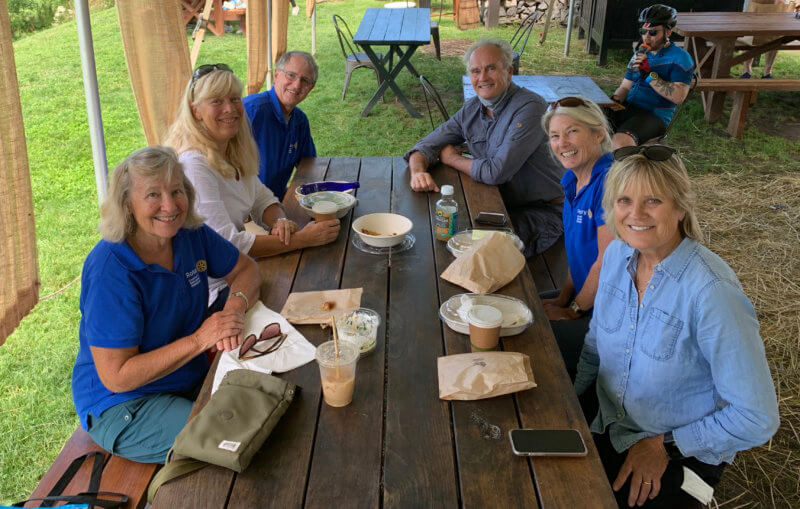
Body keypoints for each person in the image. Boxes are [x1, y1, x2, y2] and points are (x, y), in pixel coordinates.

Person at [574, 145, 779, 508]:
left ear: (681, 207)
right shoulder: (619, 254)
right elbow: (595, 343)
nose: (635, 214)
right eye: (623, 200)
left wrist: (664, 444)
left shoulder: (712, 293)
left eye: (652, 201)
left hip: (679, 449)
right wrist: (570, 403)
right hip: (609, 418)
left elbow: (757, 417)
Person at [71, 146, 261, 463]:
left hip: (186, 376)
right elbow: (117, 376)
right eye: (153, 195)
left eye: (177, 191)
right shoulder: (110, 269)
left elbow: (247, 270)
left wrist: (233, 309)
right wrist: (201, 338)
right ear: (127, 205)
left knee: (266, 404)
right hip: (124, 403)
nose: (170, 206)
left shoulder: (189, 233)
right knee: (237, 441)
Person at [164, 63, 339, 304]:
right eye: (216, 101)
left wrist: (280, 221)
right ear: (196, 111)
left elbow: (261, 197)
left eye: (234, 99)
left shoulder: (231, 150)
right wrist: (302, 239)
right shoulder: (194, 165)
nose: (230, 109)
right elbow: (227, 243)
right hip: (212, 292)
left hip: (239, 273)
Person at [405, 38, 564, 257]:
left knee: (478, 255)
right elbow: (425, 146)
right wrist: (418, 172)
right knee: (441, 236)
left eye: (491, 69)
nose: (482, 78)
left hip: (542, 211)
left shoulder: (530, 107)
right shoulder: (473, 108)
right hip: (496, 202)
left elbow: (496, 172)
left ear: (508, 71)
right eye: (475, 71)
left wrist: (451, 159)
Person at [539, 97, 615, 380]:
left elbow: (605, 263)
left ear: (599, 133)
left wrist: (573, 309)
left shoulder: (608, 183)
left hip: (608, 315)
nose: (562, 143)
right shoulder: (572, 180)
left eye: (572, 132)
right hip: (585, 300)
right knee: (521, 307)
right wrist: (563, 298)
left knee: (529, 334)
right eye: (555, 136)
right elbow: (577, 253)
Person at [606, 4, 694, 148]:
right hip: (627, 107)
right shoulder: (639, 53)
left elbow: (679, 97)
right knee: (586, 122)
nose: (646, 37)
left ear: (668, 33)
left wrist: (649, 75)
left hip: (653, 116)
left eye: (653, 33)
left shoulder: (680, 58)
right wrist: (613, 102)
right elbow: (625, 87)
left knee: (620, 142)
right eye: (643, 31)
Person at [243, 51, 318, 199]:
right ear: (276, 75)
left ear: (311, 87)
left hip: (275, 202)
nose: (297, 85)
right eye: (291, 75)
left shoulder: (300, 120)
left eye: (305, 80)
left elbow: (307, 164)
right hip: (244, 210)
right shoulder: (251, 111)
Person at [740, 0, 796, 79]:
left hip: (778, 6)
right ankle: (746, 71)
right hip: (754, 5)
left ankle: (767, 72)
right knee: (750, 33)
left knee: (775, 36)